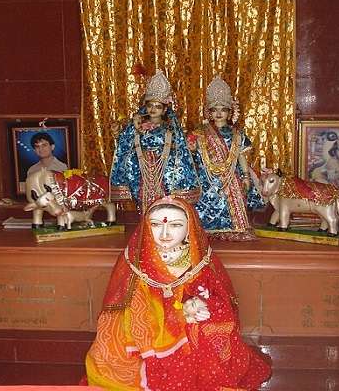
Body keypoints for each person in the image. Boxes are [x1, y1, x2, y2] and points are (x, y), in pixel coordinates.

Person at [84, 196, 271, 390]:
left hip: (188, 319)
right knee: (114, 347)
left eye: (175, 225)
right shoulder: (137, 260)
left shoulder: (199, 259)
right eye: (156, 225)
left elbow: (216, 295)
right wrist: (162, 318)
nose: (165, 233)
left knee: (205, 334)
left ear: (189, 229)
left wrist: (198, 305)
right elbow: (131, 300)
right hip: (147, 320)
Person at [110, 69, 200, 213]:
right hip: (141, 171)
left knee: (164, 203)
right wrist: (126, 131)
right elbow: (124, 145)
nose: (153, 109)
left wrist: (190, 149)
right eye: (150, 105)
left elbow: (180, 151)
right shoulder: (138, 126)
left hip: (164, 173)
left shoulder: (170, 129)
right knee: (143, 203)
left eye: (158, 106)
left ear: (165, 110)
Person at [187, 76, 265, 241]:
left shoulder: (237, 134)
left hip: (230, 176)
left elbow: (241, 155)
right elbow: (190, 155)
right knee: (203, 203)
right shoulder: (199, 132)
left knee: (233, 201)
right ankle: (203, 229)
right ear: (209, 112)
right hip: (205, 177)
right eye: (214, 109)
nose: (219, 113)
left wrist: (245, 176)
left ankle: (235, 227)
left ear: (230, 112)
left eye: (223, 109)